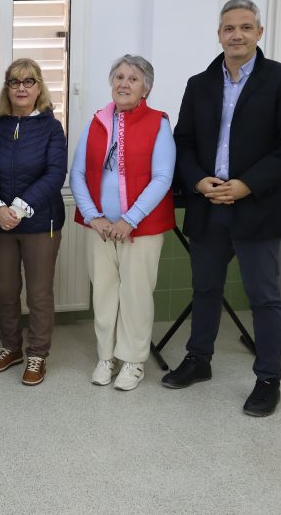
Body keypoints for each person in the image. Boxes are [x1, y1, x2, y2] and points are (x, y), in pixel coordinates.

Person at [162, 0, 281, 416]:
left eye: (245, 27)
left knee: (264, 297)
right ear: (219, 34)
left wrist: (247, 185)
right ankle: (198, 359)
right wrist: (197, 180)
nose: (237, 35)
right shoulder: (199, 83)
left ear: (259, 33)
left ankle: (267, 378)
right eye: (229, 28)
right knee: (205, 289)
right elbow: (183, 141)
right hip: (208, 204)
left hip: (256, 204)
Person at [70, 54, 175, 392]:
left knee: (136, 295)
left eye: (133, 78)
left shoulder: (158, 122)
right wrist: (93, 217)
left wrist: (130, 219)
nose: (124, 83)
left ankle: (132, 360)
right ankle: (106, 357)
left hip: (140, 230)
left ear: (146, 87)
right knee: (103, 293)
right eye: (119, 77)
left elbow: (162, 177)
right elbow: (78, 174)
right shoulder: (97, 121)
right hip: (100, 229)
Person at [0, 58, 67, 386]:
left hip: (40, 223)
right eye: (14, 82)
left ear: (39, 87)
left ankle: (37, 354)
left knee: (39, 294)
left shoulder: (51, 126)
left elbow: (55, 173)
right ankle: (10, 348)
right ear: (6, 88)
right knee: (4, 290)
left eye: (28, 81)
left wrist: (18, 207)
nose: (21, 88)